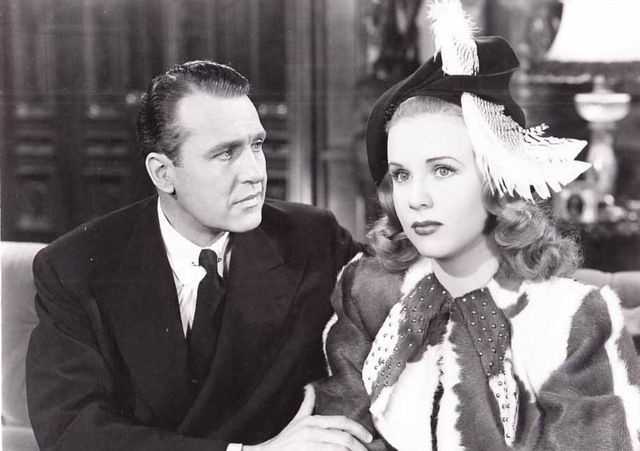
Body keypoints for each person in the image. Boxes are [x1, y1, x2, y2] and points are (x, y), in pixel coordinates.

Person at [312, 1, 640, 450]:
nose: (416, 197)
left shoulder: (569, 319)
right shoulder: (369, 291)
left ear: (496, 181)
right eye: (401, 175)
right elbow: (339, 434)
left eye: (443, 170)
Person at [26, 60, 374, 451]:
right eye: (225, 153)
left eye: (256, 145)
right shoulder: (74, 267)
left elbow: (398, 299)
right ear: (163, 173)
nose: (255, 173)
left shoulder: (313, 238)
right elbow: (73, 432)